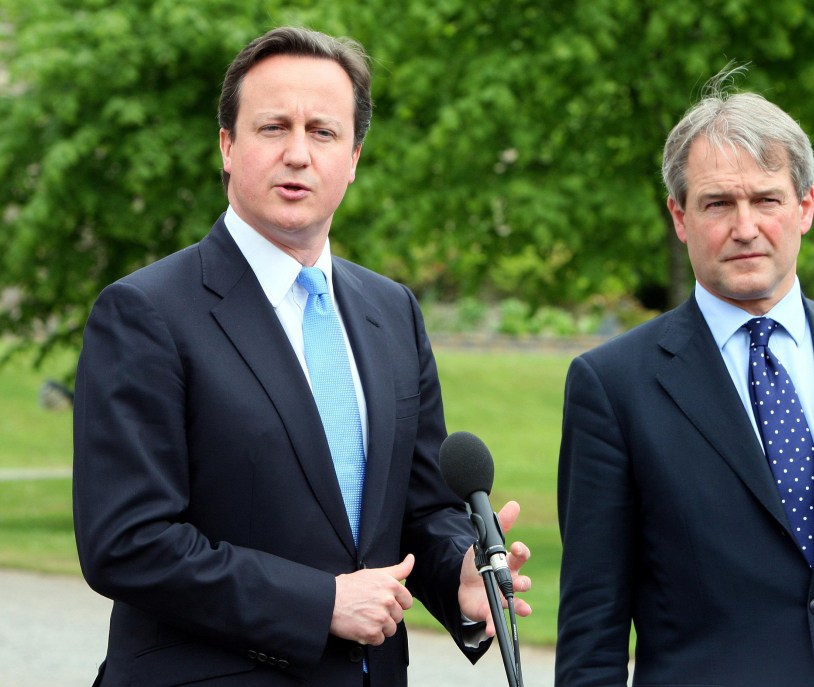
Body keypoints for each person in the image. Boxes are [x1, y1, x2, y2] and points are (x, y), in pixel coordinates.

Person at [73, 26, 531, 687]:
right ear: (227, 147)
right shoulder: (145, 313)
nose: (297, 153)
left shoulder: (391, 311)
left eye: (322, 131)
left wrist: (458, 568)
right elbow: (128, 541)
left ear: (354, 156)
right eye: (272, 128)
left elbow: (420, 509)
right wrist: (320, 603)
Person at [555, 65, 814, 686]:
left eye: (766, 199)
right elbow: (593, 632)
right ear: (680, 216)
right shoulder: (612, 388)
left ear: (804, 206)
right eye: (718, 203)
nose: (745, 228)